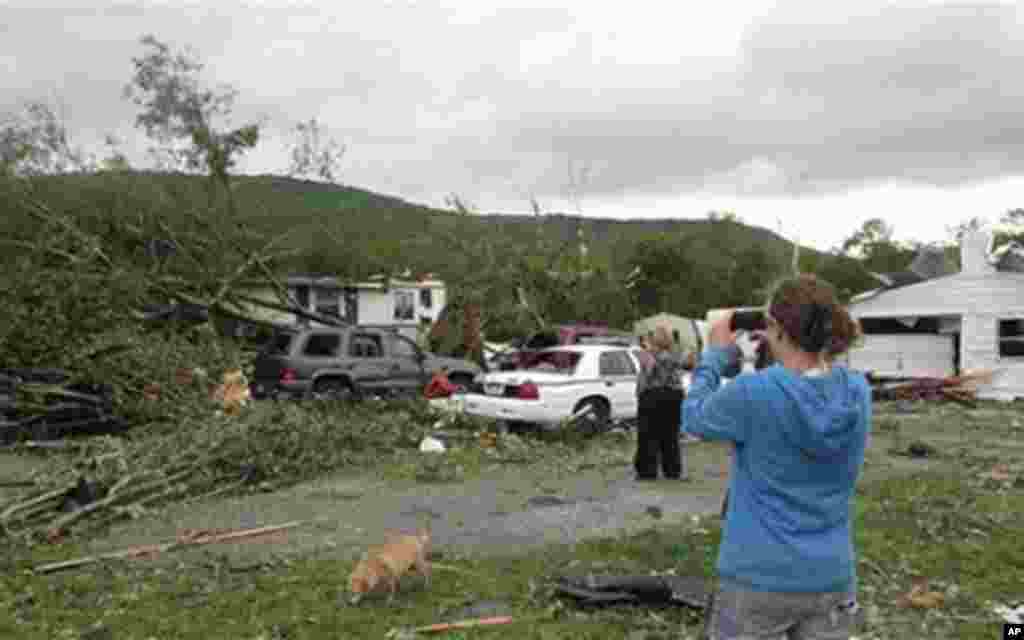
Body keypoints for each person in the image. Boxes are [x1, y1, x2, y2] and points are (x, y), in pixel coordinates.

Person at [683, 274, 869, 640]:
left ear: (779, 330)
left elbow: (693, 417)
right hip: (832, 574)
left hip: (758, 576)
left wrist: (715, 356)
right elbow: (817, 376)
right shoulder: (857, 390)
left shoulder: (755, 392)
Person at [634, 326, 687, 481]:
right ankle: (672, 470)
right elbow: (682, 369)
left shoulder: (649, 355)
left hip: (652, 395)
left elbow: (648, 373)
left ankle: (647, 471)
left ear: (654, 340)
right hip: (673, 396)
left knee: (648, 435)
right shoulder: (675, 354)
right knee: (670, 435)